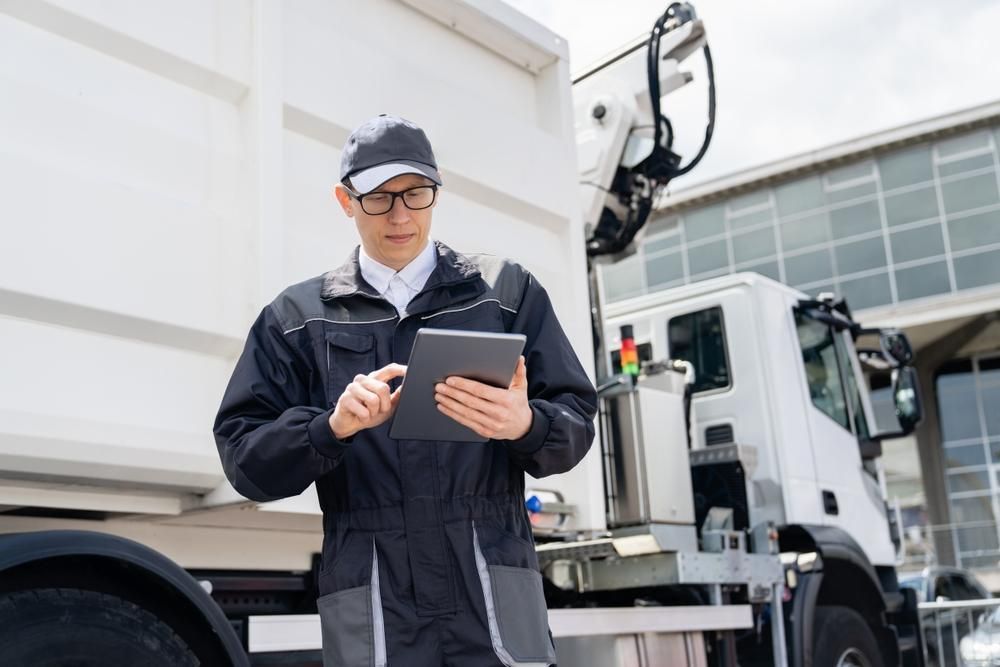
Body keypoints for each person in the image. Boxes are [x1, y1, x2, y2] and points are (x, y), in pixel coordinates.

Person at [213, 114, 597, 667]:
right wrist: (330, 428)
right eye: (378, 198)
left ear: (435, 193)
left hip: (486, 583)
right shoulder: (297, 319)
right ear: (346, 201)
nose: (400, 215)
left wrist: (526, 425)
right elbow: (244, 460)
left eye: (415, 194)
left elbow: (577, 419)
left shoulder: (504, 294)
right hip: (374, 588)